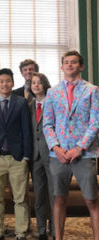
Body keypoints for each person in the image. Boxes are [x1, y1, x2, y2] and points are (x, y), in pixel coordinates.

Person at [43, 50, 99, 240]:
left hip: (84, 153)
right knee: (59, 199)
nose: (69, 65)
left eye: (74, 62)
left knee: (91, 200)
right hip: (58, 155)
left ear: (81, 66)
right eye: (66, 62)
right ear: (61, 67)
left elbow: (95, 123)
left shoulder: (92, 90)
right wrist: (56, 148)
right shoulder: (52, 92)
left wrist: (80, 147)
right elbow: (47, 124)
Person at [0, 68, 32, 240]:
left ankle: (21, 231)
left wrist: (26, 156)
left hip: (17, 157)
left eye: (8, 81)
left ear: (13, 82)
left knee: (20, 198)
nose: (5, 84)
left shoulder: (21, 102)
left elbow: (26, 130)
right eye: (1, 81)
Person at [28, 72, 53, 240]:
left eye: (39, 82)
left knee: (53, 194)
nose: (36, 85)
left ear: (45, 84)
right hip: (35, 156)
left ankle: (55, 227)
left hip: (52, 155)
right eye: (33, 83)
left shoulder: (53, 103)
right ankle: (42, 229)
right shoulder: (28, 105)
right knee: (39, 195)